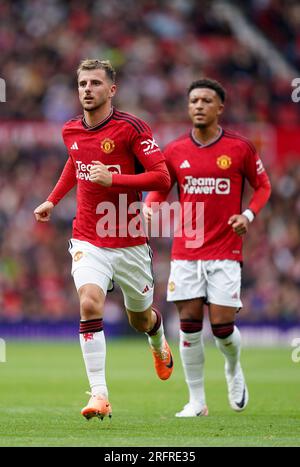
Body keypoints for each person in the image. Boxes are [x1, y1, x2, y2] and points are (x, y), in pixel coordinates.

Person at [34, 59, 173, 421]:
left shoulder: (131, 128)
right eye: (82, 83)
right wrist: (52, 198)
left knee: (139, 320)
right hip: (88, 239)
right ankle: (99, 394)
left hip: (128, 242)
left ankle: (157, 340)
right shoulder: (70, 130)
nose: (87, 89)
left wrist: (117, 182)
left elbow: (162, 177)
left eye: (95, 83)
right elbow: (75, 162)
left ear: (112, 90)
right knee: (90, 303)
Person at [144, 78, 271, 417]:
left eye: (206, 100)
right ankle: (197, 401)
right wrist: (151, 205)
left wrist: (248, 214)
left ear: (220, 108)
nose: (199, 105)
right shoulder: (174, 151)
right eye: (194, 101)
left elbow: (263, 186)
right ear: (188, 107)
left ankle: (233, 369)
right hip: (187, 250)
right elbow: (160, 187)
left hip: (226, 250)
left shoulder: (240, 148)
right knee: (188, 323)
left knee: (222, 327)